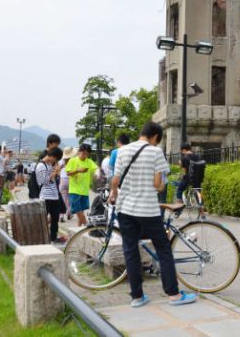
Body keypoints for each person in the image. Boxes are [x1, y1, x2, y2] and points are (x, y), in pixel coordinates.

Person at [108, 122, 197, 308]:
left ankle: (137, 297)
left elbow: (115, 180)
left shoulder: (123, 151)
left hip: (125, 209)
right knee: (163, 249)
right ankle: (173, 294)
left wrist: (113, 194)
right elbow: (158, 185)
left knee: (130, 250)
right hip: (147, 209)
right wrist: (160, 185)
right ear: (155, 136)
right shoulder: (155, 152)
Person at [36, 147, 66, 243]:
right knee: (43, 219)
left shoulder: (49, 165)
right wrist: (54, 172)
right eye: (56, 159)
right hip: (45, 196)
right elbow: (42, 182)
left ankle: (53, 238)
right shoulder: (41, 166)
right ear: (52, 156)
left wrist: (56, 172)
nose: (56, 161)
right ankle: (41, 238)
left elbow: (52, 180)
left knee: (55, 219)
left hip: (54, 196)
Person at [65, 144, 98, 227]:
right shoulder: (72, 160)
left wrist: (97, 174)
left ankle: (78, 230)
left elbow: (96, 169)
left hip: (84, 190)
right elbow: (68, 173)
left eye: (86, 154)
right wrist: (77, 170)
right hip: (74, 190)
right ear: (79, 152)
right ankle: (88, 226)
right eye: (83, 153)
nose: (84, 155)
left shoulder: (89, 162)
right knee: (77, 209)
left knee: (81, 211)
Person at [58, 147, 77, 222]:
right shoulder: (73, 160)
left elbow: (58, 170)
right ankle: (69, 213)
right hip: (71, 180)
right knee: (69, 199)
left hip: (62, 180)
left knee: (63, 199)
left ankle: (61, 215)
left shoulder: (61, 161)